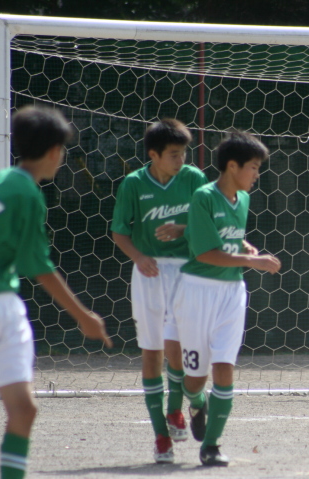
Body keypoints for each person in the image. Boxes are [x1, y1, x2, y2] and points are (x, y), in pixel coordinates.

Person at [0, 105, 112, 479]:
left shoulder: (2, 181)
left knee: (24, 409)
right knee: (22, 410)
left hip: (3, 305)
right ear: (55, 151)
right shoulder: (28, 194)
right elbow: (40, 268)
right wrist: (84, 317)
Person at [173, 129, 281, 466]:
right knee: (195, 379)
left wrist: (243, 245)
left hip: (231, 293)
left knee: (224, 367)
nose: (257, 174)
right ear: (232, 166)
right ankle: (196, 403)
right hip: (196, 292)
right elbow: (205, 253)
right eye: (253, 167)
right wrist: (252, 260)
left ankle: (211, 446)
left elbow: (228, 239)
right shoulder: (204, 197)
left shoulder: (243, 199)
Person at [111, 119, 207, 463]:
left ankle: (179, 407)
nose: (181, 160)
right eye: (174, 154)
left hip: (186, 271)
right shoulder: (134, 184)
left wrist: (182, 228)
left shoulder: (194, 179)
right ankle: (162, 438)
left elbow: (209, 223)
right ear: (153, 155)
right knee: (151, 352)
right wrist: (138, 257)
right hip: (148, 273)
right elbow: (120, 232)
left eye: (184, 153)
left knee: (177, 348)